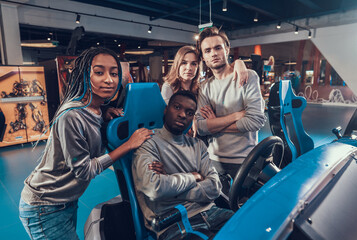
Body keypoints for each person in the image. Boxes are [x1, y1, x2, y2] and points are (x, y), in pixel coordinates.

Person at [19, 47, 153, 240]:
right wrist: (129, 145)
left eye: (114, 74)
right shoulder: (72, 115)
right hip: (45, 205)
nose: (109, 79)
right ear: (84, 75)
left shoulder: (96, 109)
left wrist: (105, 115)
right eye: (99, 72)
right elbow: (83, 171)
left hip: (65, 202)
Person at [132, 91, 234, 240]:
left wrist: (170, 184)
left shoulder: (198, 145)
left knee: (253, 228)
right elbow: (154, 188)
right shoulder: (148, 143)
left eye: (189, 112)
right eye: (177, 107)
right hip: (172, 223)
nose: (182, 115)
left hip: (211, 212)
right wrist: (195, 176)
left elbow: (214, 187)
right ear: (166, 110)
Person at [195, 27, 266, 182]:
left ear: (227, 50)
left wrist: (214, 124)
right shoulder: (204, 87)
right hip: (213, 160)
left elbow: (255, 121)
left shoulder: (248, 76)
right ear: (203, 58)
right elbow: (200, 126)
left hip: (244, 160)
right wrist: (235, 116)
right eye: (207, 51)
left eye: (218, 48)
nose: (213, 53)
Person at [161, 45, 248, 105]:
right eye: (184, 63)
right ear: (177, 65)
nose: (189, 68)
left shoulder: (201, 87)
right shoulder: (169, 86)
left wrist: (238, 62)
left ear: (198, 67)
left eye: (193, 64)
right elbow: (168, 116)